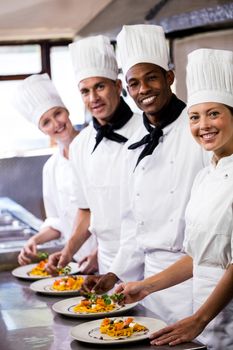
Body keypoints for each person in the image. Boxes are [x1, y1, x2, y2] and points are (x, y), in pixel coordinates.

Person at [84, 24, 209, 325]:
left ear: (169, 77)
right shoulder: (135, 142)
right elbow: (133, 224)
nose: (144, 90)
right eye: (134, 83)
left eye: (151, 78)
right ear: (127, 89)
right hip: (149, 285)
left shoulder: (199, 130)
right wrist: (114, 273)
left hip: (196, 280)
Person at [115, 48, 233, 349]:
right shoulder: (206, 176)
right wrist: (145, 287)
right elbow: (196, 256)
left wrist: (200, 318)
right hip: (203, 310)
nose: (203, 125)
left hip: (220, 313)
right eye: (194, 116)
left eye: (214, 113)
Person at [46, 35, 141, 275]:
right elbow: (86, 210)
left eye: (100, 86)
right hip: (106, 260)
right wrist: (68, 252)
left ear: (118, 87)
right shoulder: (81, 145)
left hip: (147, 259)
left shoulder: (146, 131)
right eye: (85, 91)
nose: (93, 98)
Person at [14, 74, 97, 273]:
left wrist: (101, 252)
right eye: (46, 122)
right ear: (42, 130)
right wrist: (35, 240)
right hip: (78, 262)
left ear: (67, 112)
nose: (56, 124)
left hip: (111, 256)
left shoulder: (95, 145)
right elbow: (57, 221)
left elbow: (114, 212)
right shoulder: (51, 168)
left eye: (57, 114)